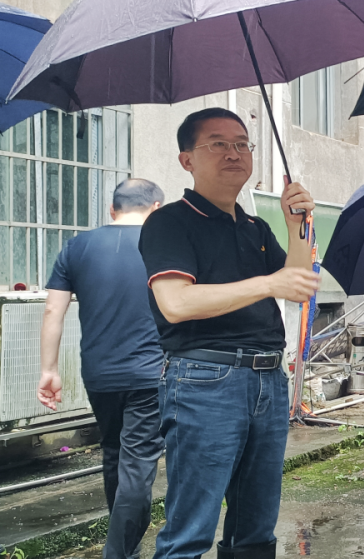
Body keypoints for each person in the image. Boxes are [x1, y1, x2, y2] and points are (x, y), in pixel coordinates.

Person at [140, 108, 319, 559]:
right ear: (187, 160)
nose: (234, 153)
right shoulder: (169, 222)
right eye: (217, 144)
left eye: (242, 144)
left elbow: (297, 284)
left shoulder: (255, 227)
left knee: (255, 528)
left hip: (268, 379)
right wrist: (268, 284)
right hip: (204, 379)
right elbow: (176, 303)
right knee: (190, 530)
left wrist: (297, 226)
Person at [39, 179, 166, 559]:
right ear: (157, 209)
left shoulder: (77, 246)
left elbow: (53, 310)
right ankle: (119, 553)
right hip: (150, 373)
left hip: (98, 374)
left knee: (114, 454)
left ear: (112, 210)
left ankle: (126, 550)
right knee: (137, 464)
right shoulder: (163, 245)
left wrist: (49, 370)